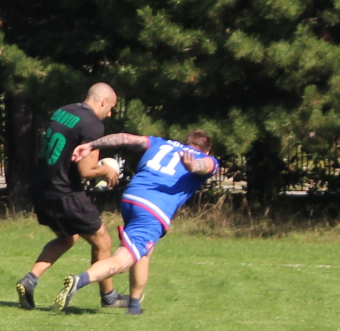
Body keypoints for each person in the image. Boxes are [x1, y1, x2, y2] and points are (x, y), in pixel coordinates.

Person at [53, 130, 219, 314]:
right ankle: (80, 280)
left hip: (131, 198)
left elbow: (124, 138)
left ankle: (134, 306)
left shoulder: (160, 143)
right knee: (123, 260)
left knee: (143, 253)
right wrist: (192, 166)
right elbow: (204, 165)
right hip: (153, 208)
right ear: (207, 150)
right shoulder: (207, 158)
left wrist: (91, 145)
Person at [16, 84, 128, 311]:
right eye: (111, 107)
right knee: (103, 240)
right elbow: (86, 170)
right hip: (65, 192)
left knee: (67, 238)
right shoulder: (93, 124)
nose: (110, 114)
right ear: (103, 102)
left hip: (41, 187)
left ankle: (30, 279)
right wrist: (106, 170)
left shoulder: (63, 111)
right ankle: (109, 297)